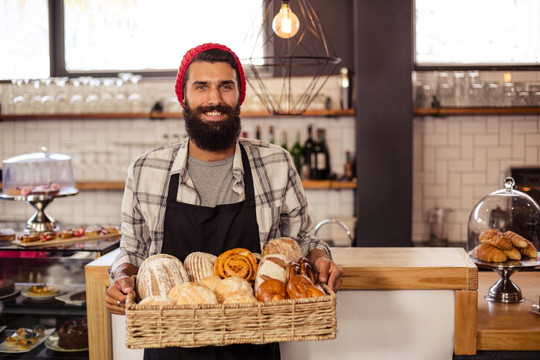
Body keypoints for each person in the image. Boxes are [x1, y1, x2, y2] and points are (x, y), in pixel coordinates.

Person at [105, 43, 343, 360]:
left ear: (239, 95)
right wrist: (121, 277)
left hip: (254, 345)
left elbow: (301, 239)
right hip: (171, 348)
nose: (214, 100)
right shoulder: (147, 170)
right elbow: (132, 248)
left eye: (225, 86)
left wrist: (319, 258)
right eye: (201, 87)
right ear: (184, 97)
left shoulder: (275, 163)